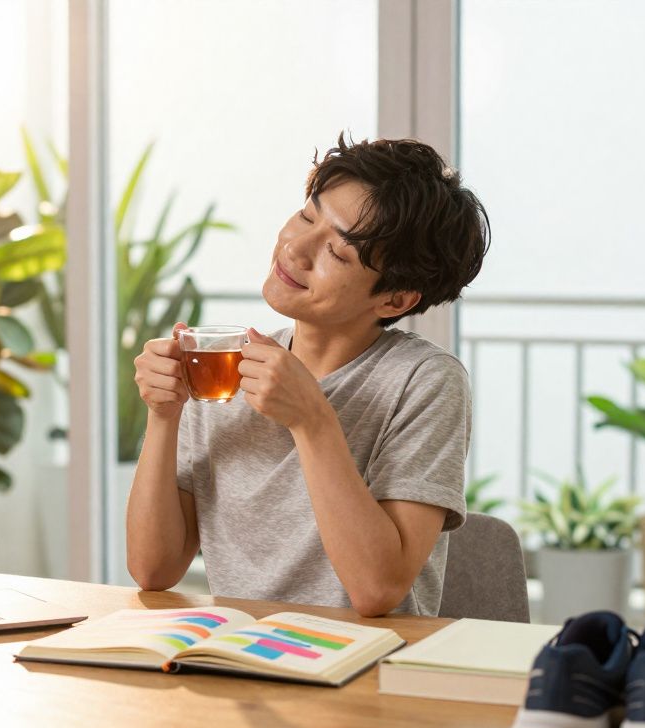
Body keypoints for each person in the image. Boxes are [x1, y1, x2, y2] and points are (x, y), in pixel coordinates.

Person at [127, 134, 490, 617]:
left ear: (395, 300)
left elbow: (377, 590)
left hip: (363, 669)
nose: (296, 248)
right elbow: (154, 570)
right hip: (239, 659)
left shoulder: (424, 382)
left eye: (338, 253)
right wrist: (164, 415)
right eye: (306, 216)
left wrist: (313, 421)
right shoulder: (226, 368)